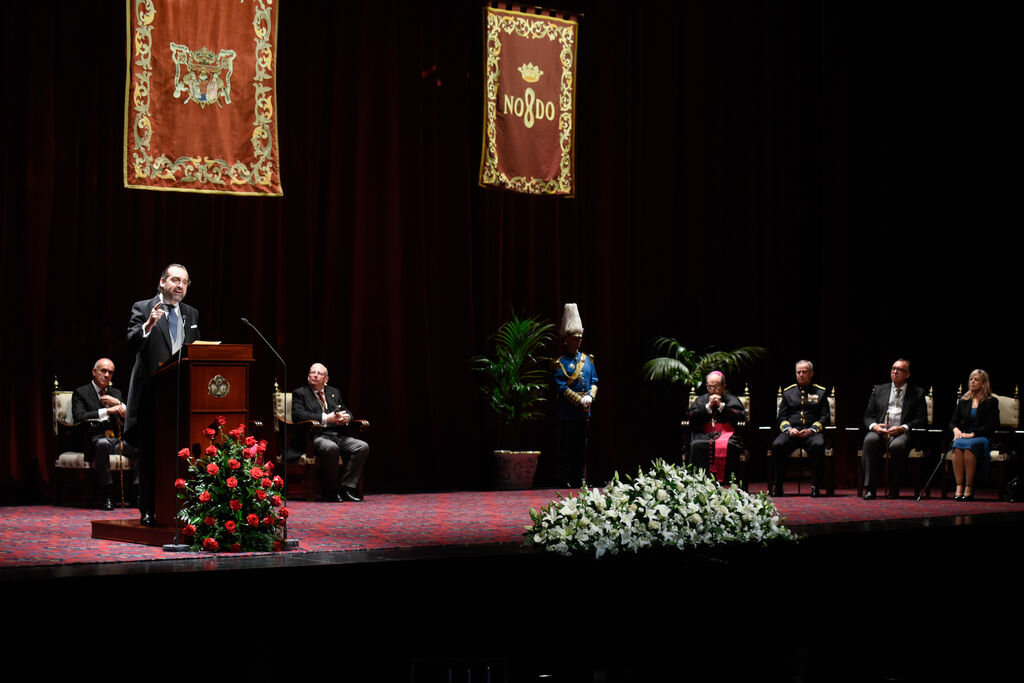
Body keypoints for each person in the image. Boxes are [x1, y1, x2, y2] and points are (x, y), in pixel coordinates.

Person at [124, 264, 200, 525]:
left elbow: (194, 351)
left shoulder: (191, 313)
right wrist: (148, 325)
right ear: (162, 283)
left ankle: (181, 507)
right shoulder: (143, 307)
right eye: (175, 280)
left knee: (181, 453)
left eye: (185, 282)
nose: (180, 286)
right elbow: (132, 342)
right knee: (150, 454)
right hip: (151, 395)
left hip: (181, 396)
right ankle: (148, 509)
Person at [291, 363, 369, 502]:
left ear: (326, 379)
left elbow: (345, 410)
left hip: (337, 435)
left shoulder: (334, 392)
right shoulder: (300, 393)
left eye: (319, 373)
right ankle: (331, 490)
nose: (314, 375)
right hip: (315, 436)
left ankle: (346, 487)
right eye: (312, 372)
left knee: (361, 447)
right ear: (308, 376)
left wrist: (346, 418)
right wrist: (327, 418)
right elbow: (298, 416)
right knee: (330, 448)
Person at [860, 358, 928, 499]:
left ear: (907, 374)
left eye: (900, 370)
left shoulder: (918, 393)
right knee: (869, 441)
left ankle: (894, 488)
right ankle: (869, 489)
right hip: (880, 431)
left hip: (901, 433)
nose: (895, 372)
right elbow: (868, 416)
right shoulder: (879, 389)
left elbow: (922, 419)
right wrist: (875, 426)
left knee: (898, 445)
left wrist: (903, 427)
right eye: (893, 369)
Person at [72, 358, 132, 510]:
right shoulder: (81, 392)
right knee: (102, 444)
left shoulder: (115, 393)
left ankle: (136, 491)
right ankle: (107, 492)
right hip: (93, 441)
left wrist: (118, 403)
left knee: (139, 446)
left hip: (116, 441)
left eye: (110, 372)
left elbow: (129, 414)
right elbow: (79, 417)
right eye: (103, 371)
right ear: (94, 372)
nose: (106, 375)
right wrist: (107, 410)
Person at [554, 303, 597, 488]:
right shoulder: (560, 362)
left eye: (580, 338)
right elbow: (561, 386)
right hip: (568, 412)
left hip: (583, 411)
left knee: (581, 448)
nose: (578, 341)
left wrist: (590, 397)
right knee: (566, 447)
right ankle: (565, 479)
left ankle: (581, 477)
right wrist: (579, 399)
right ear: (567, 339)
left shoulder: (588, 360)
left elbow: (594, 381)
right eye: (574, 338)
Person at [771, 360, 830, 497]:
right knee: (777, 444)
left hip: (811, 433)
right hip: (792, 432)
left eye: (804, 372)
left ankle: (815, 486)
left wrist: (812, 430)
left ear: (811, 374)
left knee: (819, 445)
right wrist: (789, 429)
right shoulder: (788, 393)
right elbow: (781, 417)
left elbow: (825, 417)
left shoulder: (820, 392)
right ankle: (778, 486)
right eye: (799, 372)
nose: (801, 375)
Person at [949, 369, 1000, 501]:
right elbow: (953, 421)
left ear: (983, 384)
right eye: (971, 379)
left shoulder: (991, 401)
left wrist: (973, 434)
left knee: (969, 446)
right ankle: (959, 486)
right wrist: (956, 430)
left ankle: (969, 486)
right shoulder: (964, 400)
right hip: (965, 436)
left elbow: (992, 424)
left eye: (976, 380)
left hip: (982, 436)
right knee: (957, 445)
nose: (972, 382)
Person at [687, 371, 746, 483]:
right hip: (703, 434)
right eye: (710, 387)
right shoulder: (701, 400)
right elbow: (691, 418)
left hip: (727, 435)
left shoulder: (732, 400)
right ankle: (697, 482)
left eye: (716, 387)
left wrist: (721, 406)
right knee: (696, 445)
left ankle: (729, 481)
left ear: (724, 386)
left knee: (730, 446)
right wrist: (708, 407)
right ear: (706, 386)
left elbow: (740, 418)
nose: (713, 390)